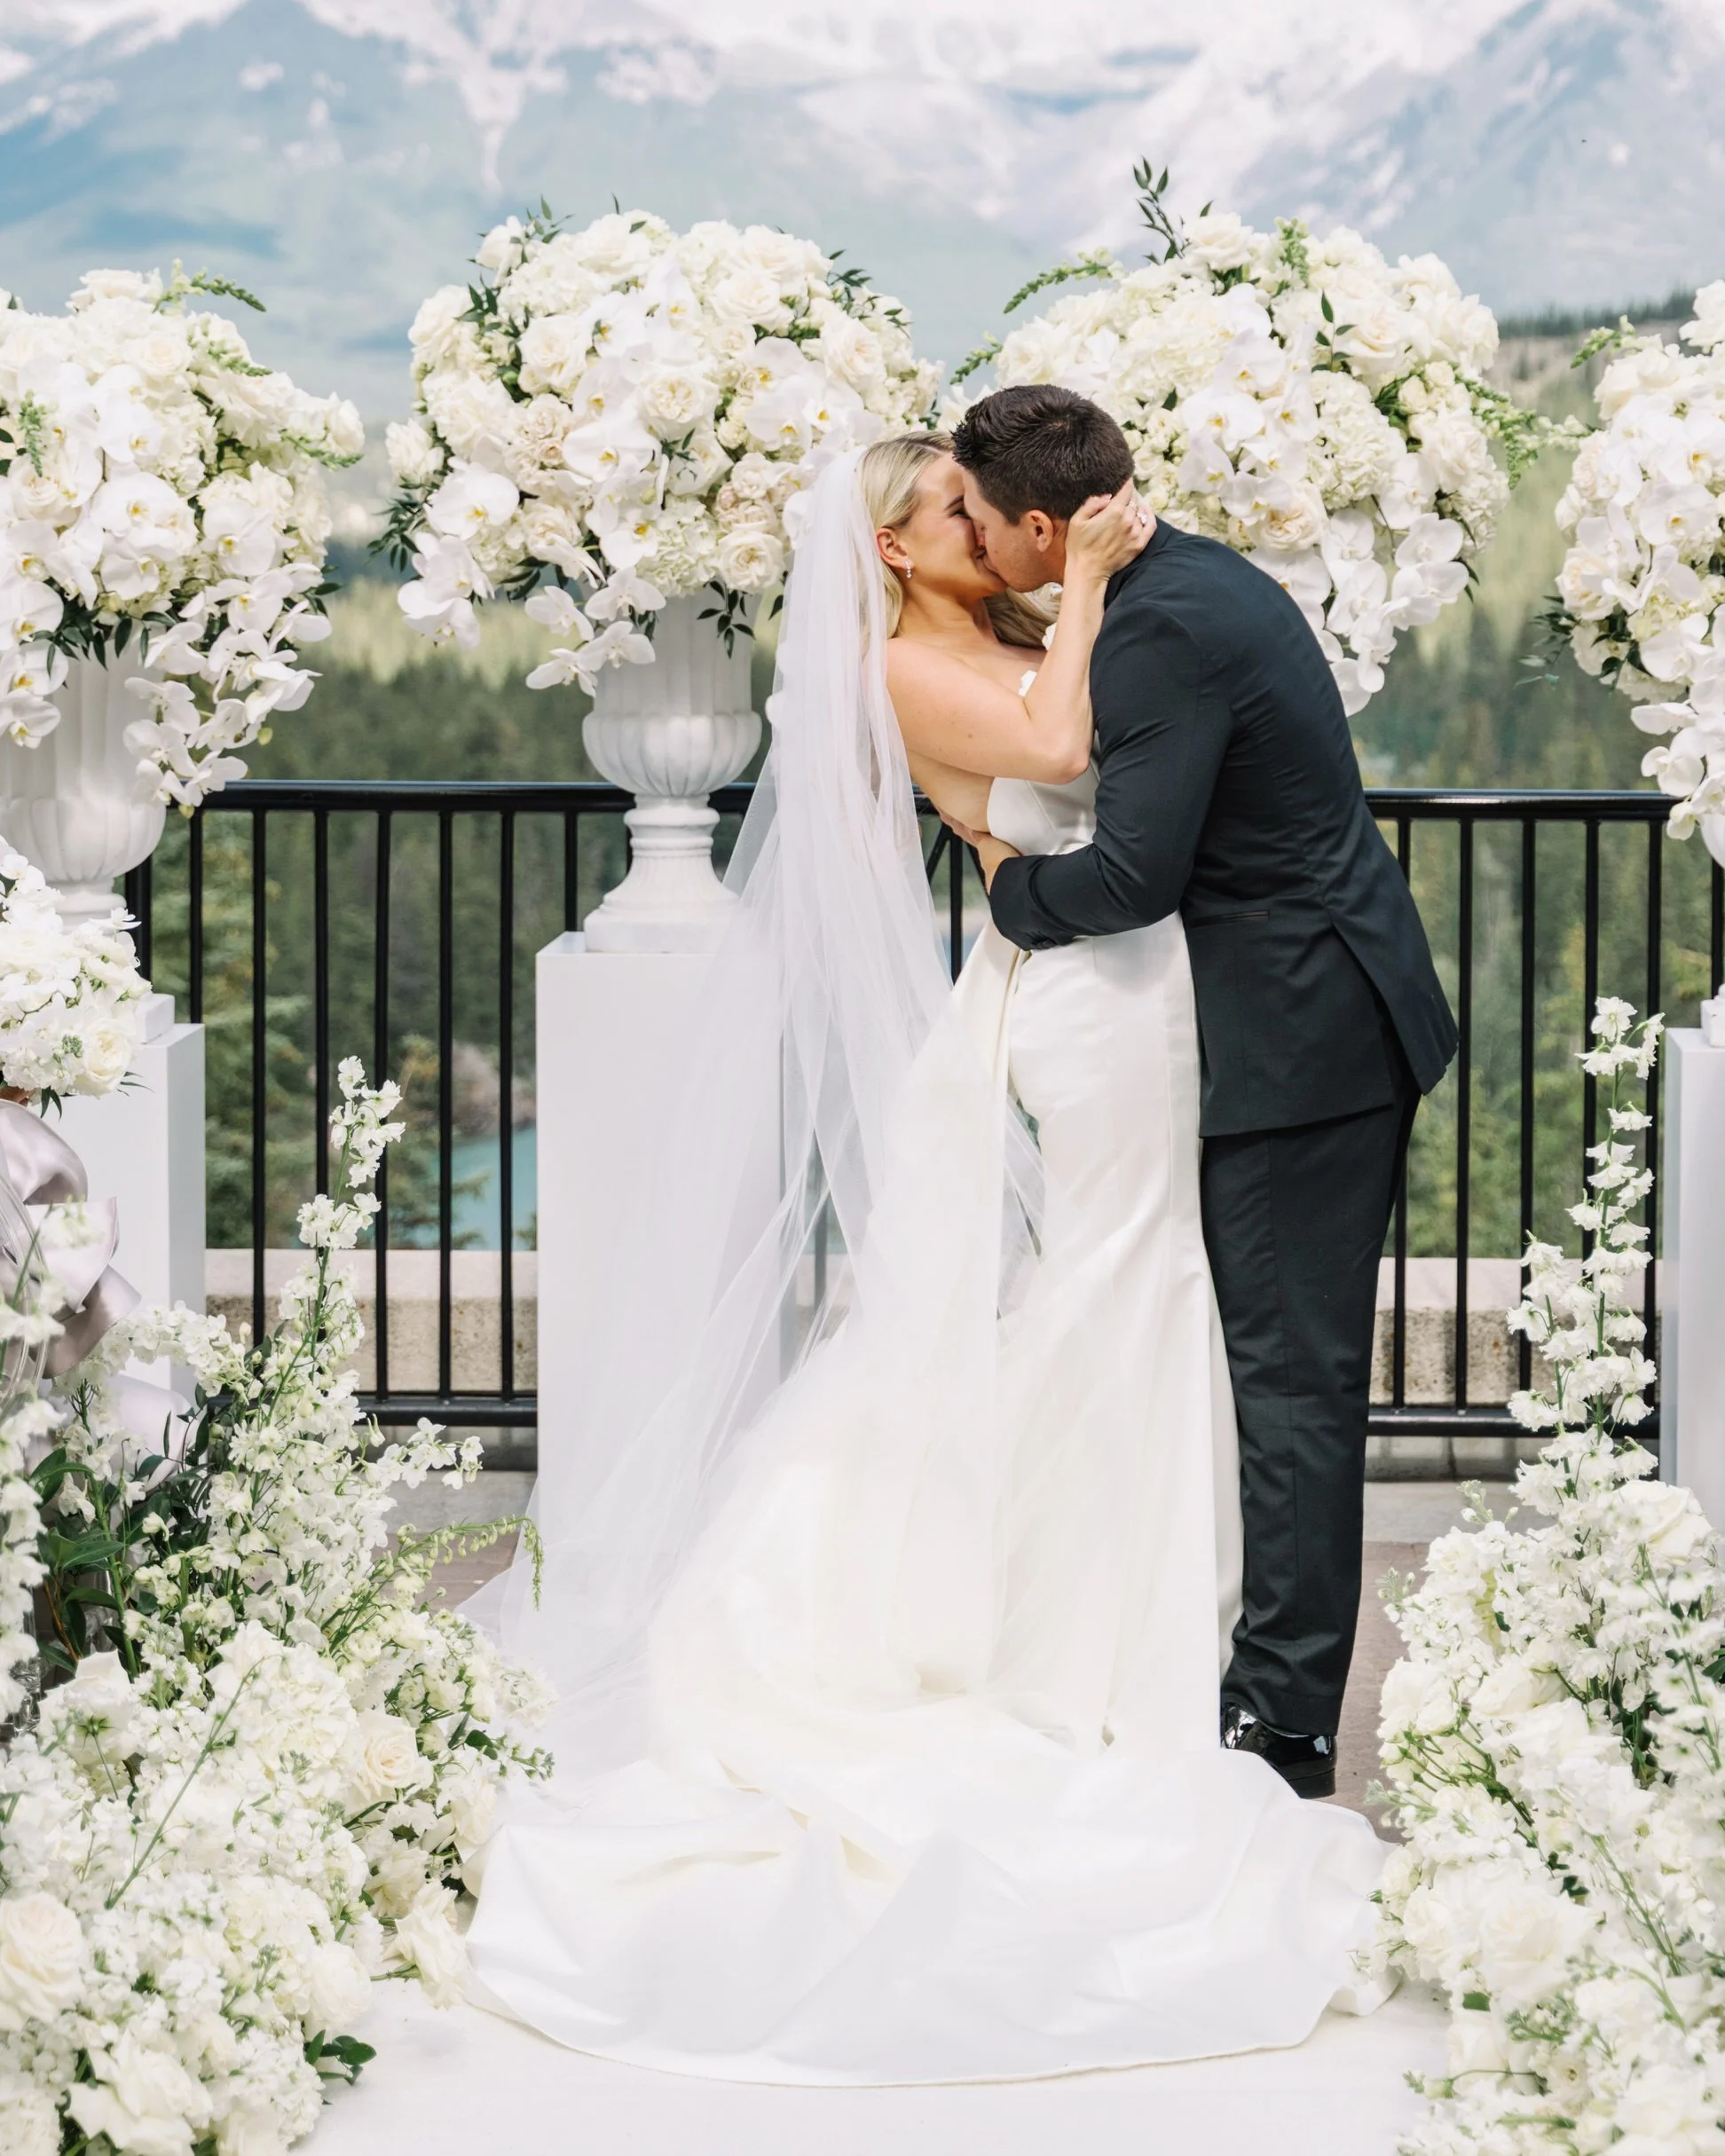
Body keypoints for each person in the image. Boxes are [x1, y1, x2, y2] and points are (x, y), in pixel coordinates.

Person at [465, 432, 1389, 2084]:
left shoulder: (1011, 636)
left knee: (1133, 1293)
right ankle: (1072, 1643)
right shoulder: (916, 672)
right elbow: (1054, 750)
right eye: (957, 510)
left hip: (1137, 990)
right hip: (1086, 1006)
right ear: (894, 551)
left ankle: (1134, 1627)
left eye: (991, 504)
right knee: (1124, 1286)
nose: (993, 526)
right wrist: (1096, 577)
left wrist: (1088, 607)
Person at [949, 384, 1458, 1794]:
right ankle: (1241, 1679)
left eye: (985, 528)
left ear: (1048, 527)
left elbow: (1128, 878)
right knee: (1266, 1376)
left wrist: (1001, 887)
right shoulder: (1181, 577)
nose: (978, 549)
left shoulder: (1161, 631)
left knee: (1291, 1388)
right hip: (1295, 1020)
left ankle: (1286, 1734)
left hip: (1307, 1045)